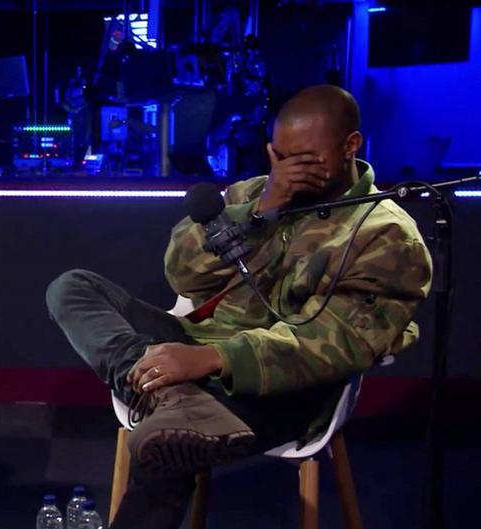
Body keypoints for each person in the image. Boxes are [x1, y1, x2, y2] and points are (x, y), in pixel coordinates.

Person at [45, 84, 432, 528]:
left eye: (307, 159)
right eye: (281, 157)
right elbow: (182, 274)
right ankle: (170, 395)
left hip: (281, 387)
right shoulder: (252, 193)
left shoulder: (385, 235)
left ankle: (175, 407)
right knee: (74, 288)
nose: (292, 171)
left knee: (165, 447)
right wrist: (258, 213)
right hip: (197, 345)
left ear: (351, 146)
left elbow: (335, 345)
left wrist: (215, 359)